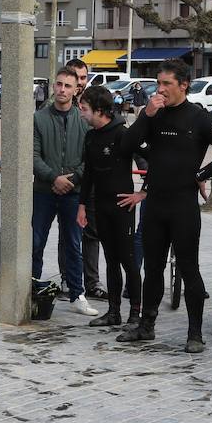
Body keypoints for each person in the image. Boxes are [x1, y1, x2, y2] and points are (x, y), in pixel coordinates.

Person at [117, 59, 212, 352]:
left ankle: (194, 334)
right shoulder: (154, 115)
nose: (160, 89)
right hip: (155, 204)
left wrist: (200, 174)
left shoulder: (198, 118)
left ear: (183, 85)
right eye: (158, 83)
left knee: (189, 268)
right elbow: (127, 145)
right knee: (154, 268)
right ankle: (147, 326)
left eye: (166, 84)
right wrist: (146, 115)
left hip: (183, 205)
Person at [33, 67, 98, 316]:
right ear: (53, 86)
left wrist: (73, 178)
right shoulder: (38, 118)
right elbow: (33, 155)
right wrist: (53, 177)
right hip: (43, 190)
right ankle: (32, 288)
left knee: (73, 244)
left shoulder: (82, 119)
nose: (62, 90)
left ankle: (77, 293)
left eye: (67, 86)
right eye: (58, 84)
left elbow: (89, 156)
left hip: (73, 191)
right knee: (36, 241)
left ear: (76, 89)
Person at [77, 84, 141, 327]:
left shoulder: (122, 134)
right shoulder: (91, 135)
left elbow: (150, 161)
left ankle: (135, 313)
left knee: (128, 260)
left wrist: (141, 194)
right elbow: (89, 173)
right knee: (111, 260)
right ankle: (114, 312)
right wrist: (82, 205)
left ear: (99, 110)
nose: (81, 113)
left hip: (122, 207)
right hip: (100, 205)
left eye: (84, 109)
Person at [66, 58, 106, 301]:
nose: (81, 83)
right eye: (76, 78)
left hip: (90, 178)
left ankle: (92, 282)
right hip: (67, 181)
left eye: (83, 78)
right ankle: (68, 278)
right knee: (68, 234)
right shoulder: (61, 104)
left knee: (92, 233)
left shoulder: (96, 103)